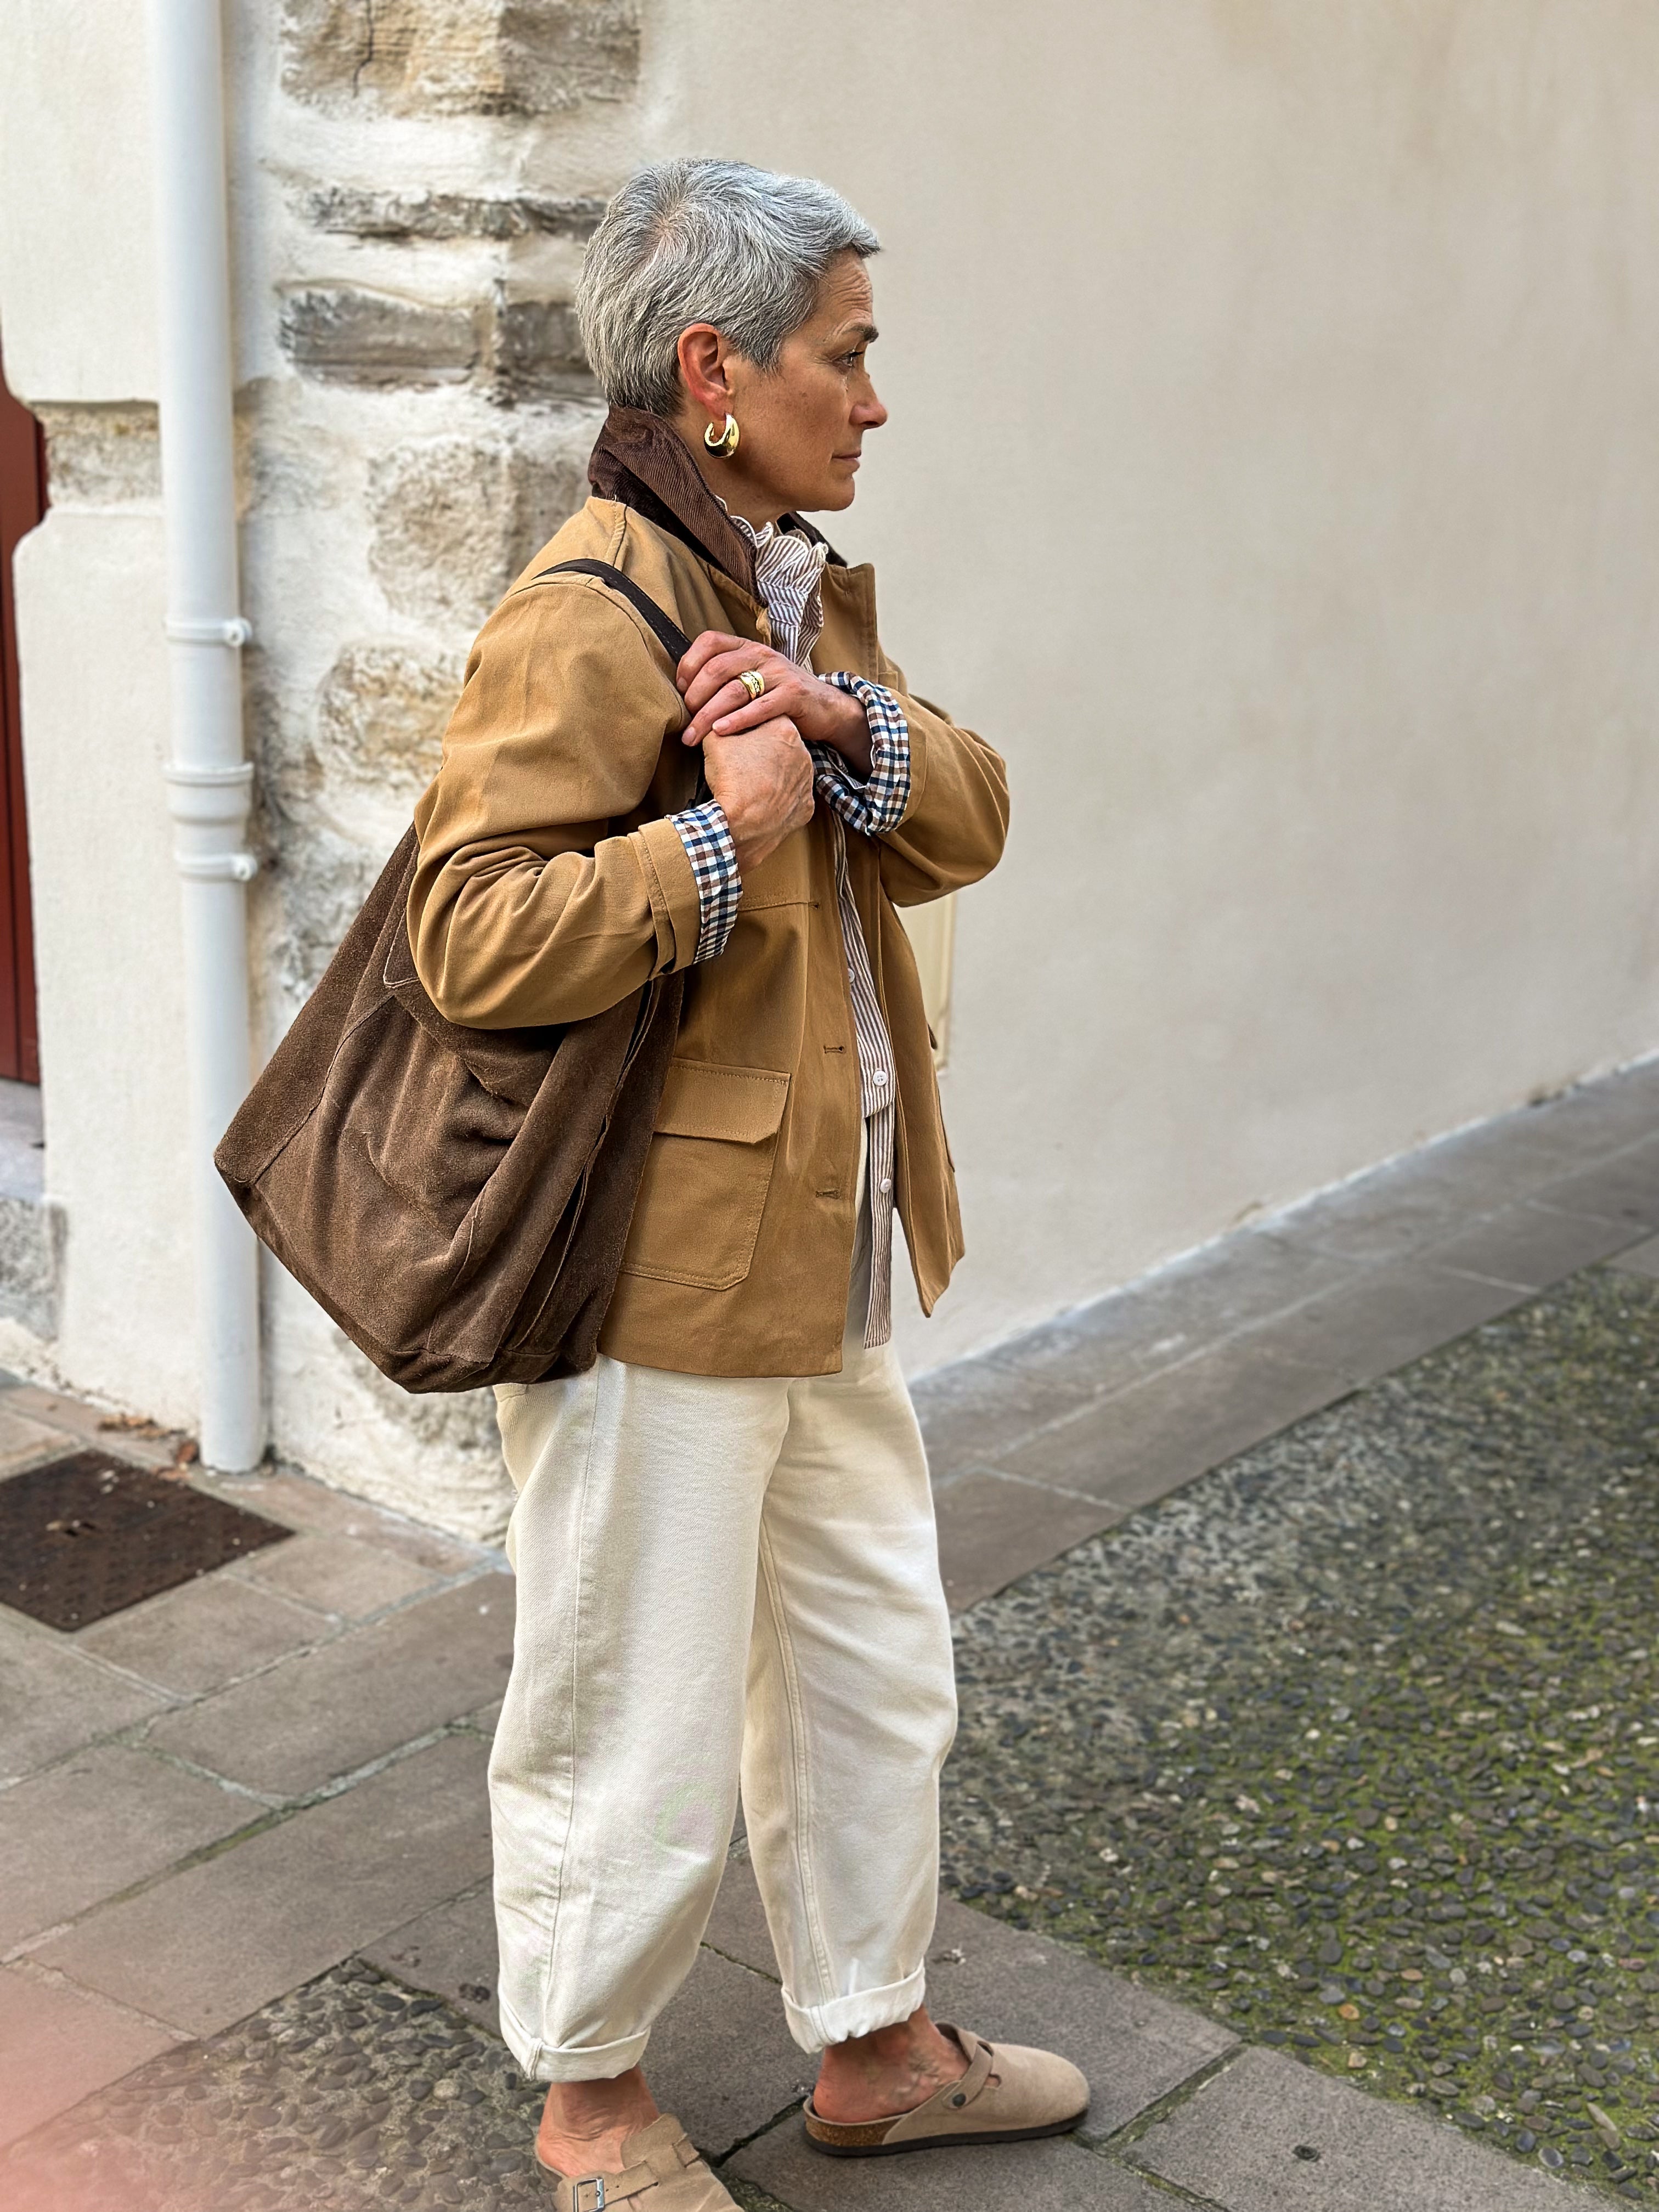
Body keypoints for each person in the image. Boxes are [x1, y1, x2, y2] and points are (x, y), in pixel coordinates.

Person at [408, 156, 1085, 2211]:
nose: (876, 403)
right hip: (661, 1277)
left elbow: (968, 809)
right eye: (849, 357)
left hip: (830, 1253)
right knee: (633, 1692)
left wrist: (823, 721)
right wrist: (724, 842)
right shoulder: (586, 608)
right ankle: (594, 2107)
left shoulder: (775, 589)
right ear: (719, 370)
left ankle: (871, 2044)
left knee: (876, 1665)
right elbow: (472, 931)